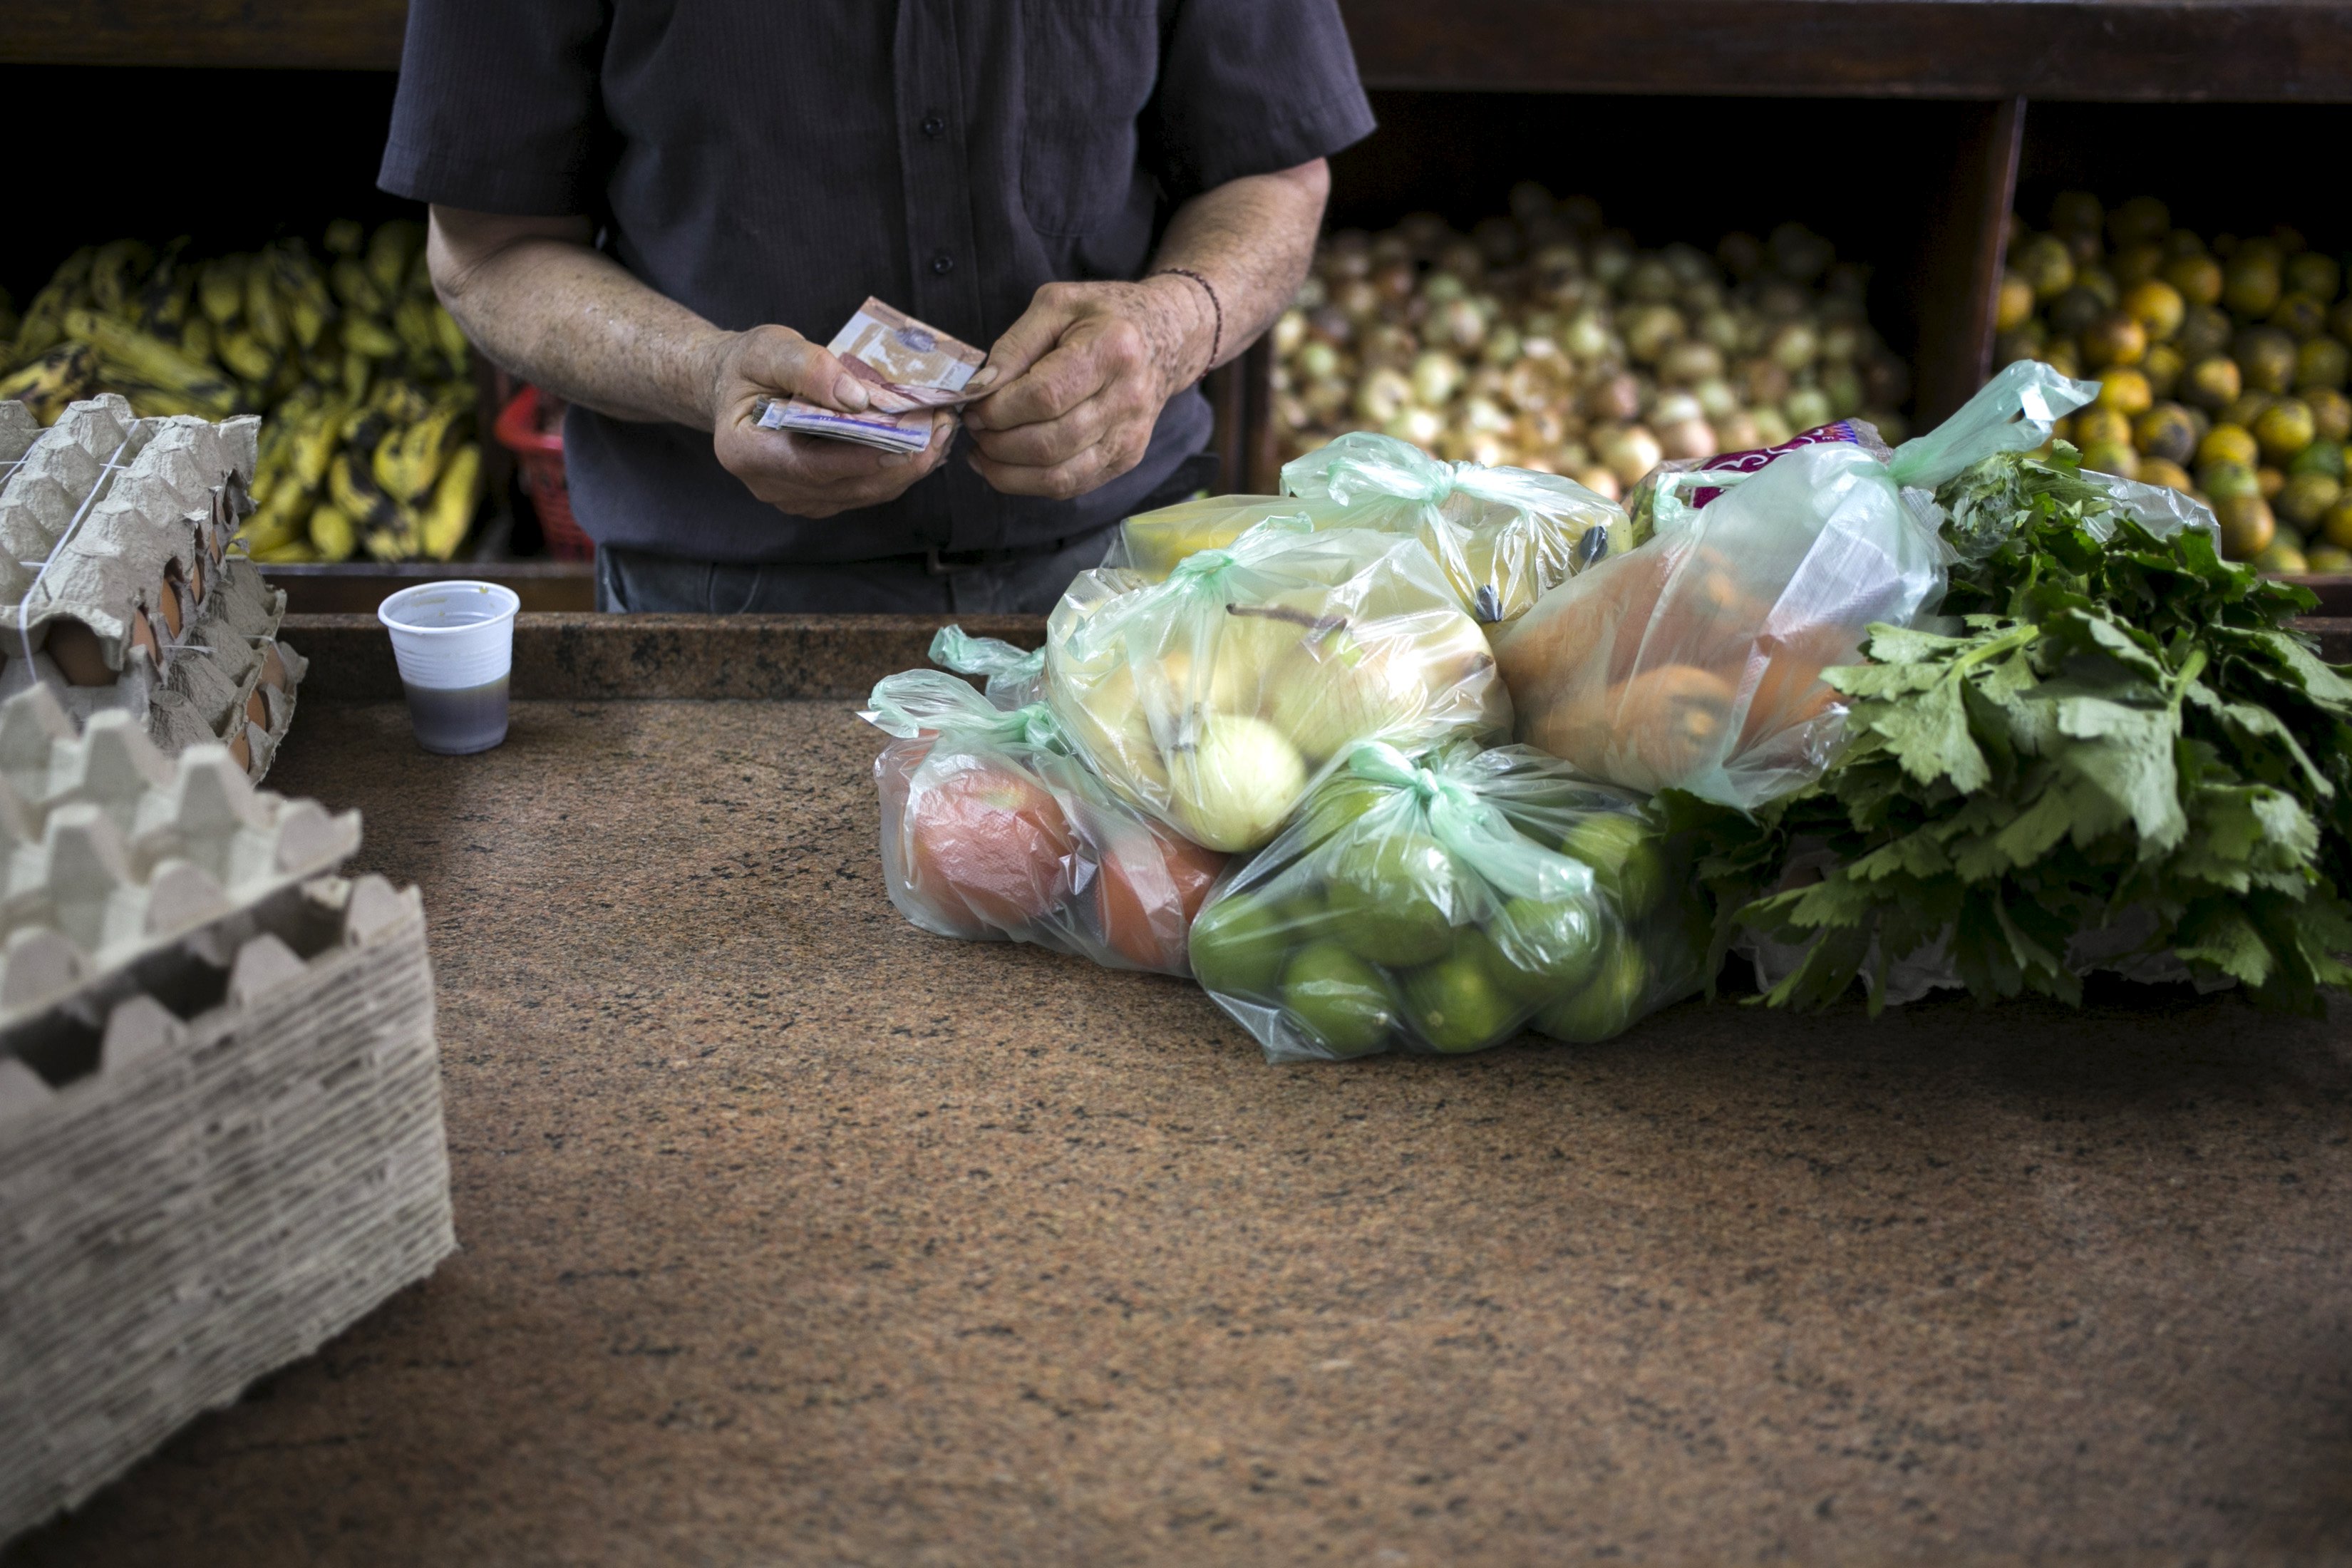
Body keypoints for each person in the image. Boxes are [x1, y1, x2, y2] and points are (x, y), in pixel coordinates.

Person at [378, 3, 1374, 613]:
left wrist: (1169, 330)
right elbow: (486, 251)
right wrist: (706, 371)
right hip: (725, 600)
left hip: (1124, 579)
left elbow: (1276, 176)